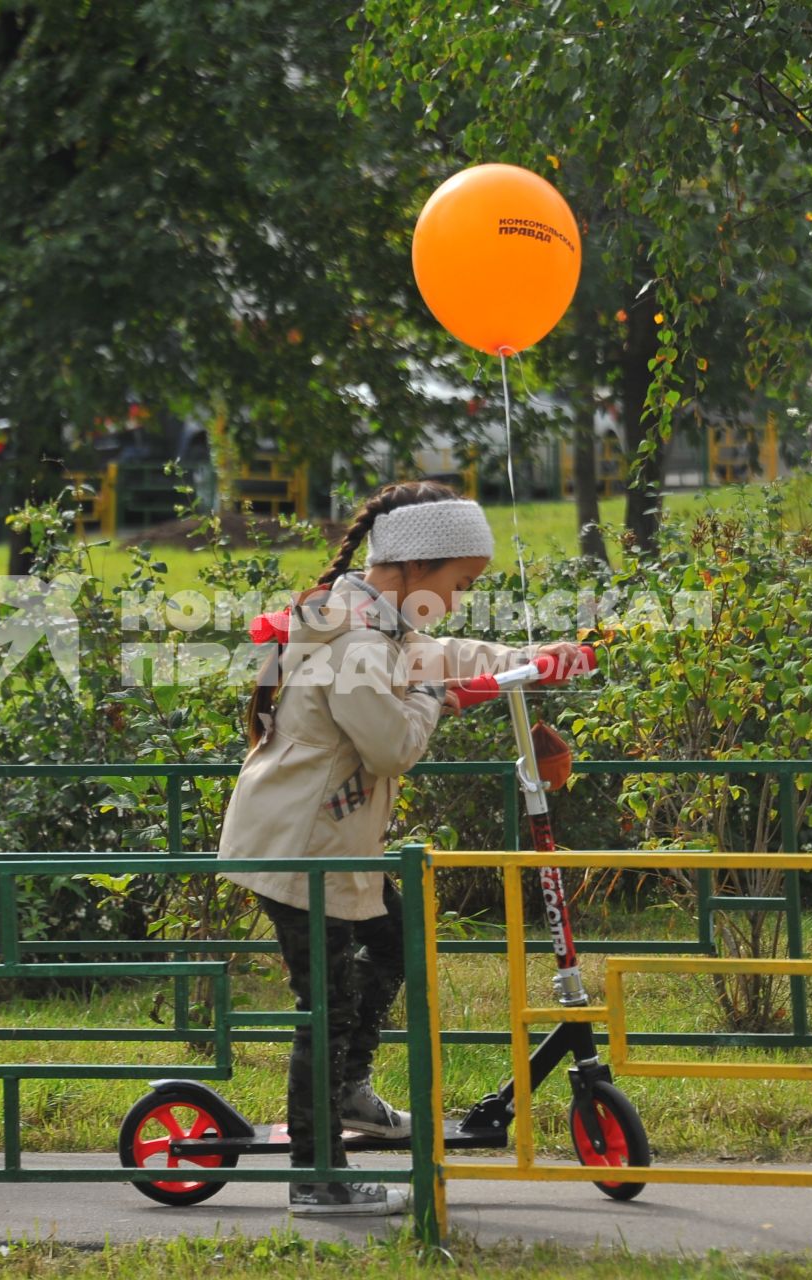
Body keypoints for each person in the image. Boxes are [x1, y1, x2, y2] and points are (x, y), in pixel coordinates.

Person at [218, 480, 585, 1215]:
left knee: (395, 946)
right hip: (299, 848)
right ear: (416, 570)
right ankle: (316, 1179)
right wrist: (442, 697)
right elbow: (393, 747)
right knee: (324, 1005)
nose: (459, 598)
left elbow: (438, 651)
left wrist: (530, 656)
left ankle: (350, 1095)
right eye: (460, 583)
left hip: (333, 842)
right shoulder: (355, 638)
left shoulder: (377, 620)